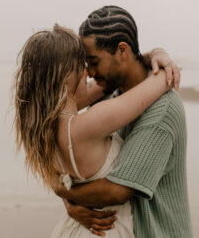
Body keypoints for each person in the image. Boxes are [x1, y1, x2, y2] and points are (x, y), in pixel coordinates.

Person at [15, 23, 173, 238]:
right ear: (65, 76)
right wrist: (160, 56)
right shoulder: (89, 124)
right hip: (107, 230)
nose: (89, 73)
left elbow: (108, 83)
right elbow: (162, 81)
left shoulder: (39, 127)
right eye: (82, 65)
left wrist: (143, 56)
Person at [53, 6, 193, 238]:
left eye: (94, 61)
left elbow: (118, 190)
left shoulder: (163, 110)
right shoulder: (109, 93)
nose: (89, 72)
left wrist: (66, 194)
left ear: (122, 50)